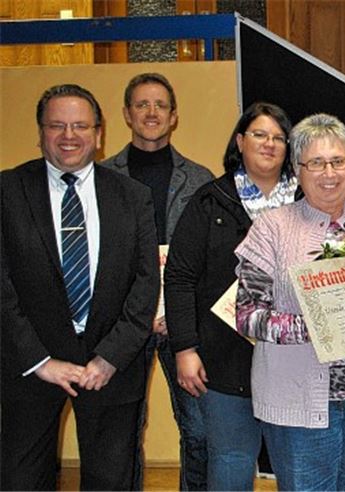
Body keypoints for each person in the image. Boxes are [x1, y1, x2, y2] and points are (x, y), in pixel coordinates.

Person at [234, 113, 345, 491]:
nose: (329, 173)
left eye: (338, 161)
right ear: (297, 169)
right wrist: (318, 323)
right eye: (316, 163)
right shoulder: (272, 227)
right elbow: (248, 315)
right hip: (300, 407)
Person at [1, 84, 159, 490]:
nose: (68, 136)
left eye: (80, 126)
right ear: (40, 133)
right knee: (20, 480)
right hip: (30, 366)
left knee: (110, 481)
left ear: (99, 134)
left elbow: (145, 285)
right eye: (57, 126)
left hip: (110, 367)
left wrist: (110, 357)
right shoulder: (7, 192)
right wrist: (40, 361)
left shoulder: (133, 196)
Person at [164, 102, 297, 490]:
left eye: (278, 137)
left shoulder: (306, 202)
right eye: (259, 134)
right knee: (230, 461)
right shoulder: (210, 200)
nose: (269, 144)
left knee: (295, 465)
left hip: (292, 359)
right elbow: (180, 277)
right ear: (240, 141)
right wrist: (184, 348)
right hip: (223, 358)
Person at [99, 72, 214, 491]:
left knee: (200, 431)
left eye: (160, 105)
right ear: (127, 114)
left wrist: (179, 315)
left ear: (174, 116)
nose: (151, 112)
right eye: (142, 105)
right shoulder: (101, 178)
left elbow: (208, 258)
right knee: (122, 432)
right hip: (122, 323)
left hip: (183, 324)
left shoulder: (201, 181)